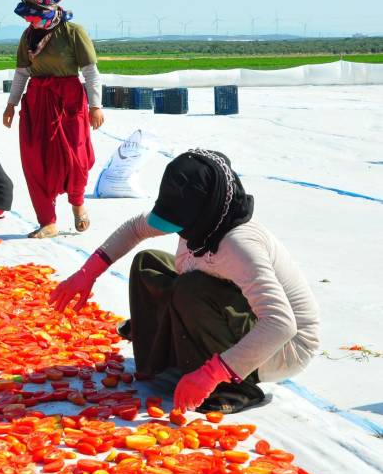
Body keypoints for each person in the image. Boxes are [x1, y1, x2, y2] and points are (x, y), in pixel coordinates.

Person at [50, 150, 320, 414]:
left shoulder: (239, 244)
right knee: (149, 263)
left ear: (205, 210)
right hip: (238, 309)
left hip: (282, 348)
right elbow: (135, 228)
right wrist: (87, 273)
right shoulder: (205, 221)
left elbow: (281, 325)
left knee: (191, 289)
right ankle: (171, 358)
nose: (177, 230)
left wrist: (212, 373)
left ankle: (234, 388)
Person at [2, 0, 103, 239]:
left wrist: (95, 106)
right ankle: (47, 221)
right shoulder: (28, 36)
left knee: (75, 157)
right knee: (36, 160)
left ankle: (78, 203)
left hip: (68, 100)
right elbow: (21, 73)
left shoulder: (72, 32)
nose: (29, 21)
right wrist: (11, 104)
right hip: (37, 102)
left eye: (33, 16)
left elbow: (90, 73)